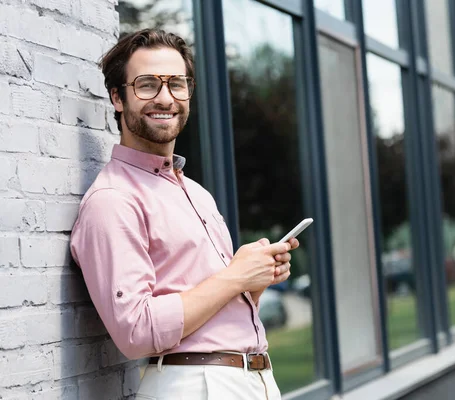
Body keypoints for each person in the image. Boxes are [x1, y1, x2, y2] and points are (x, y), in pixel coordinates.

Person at [70, 29, 299, 399]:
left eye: (177, 84)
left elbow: (206, 309)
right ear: (117, 97)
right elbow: (136, 331)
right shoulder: (112, 200)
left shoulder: (196, 193)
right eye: (147, 85)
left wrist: (251, 286)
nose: (165, 98)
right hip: (196, 386)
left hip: (252, 379)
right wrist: (235, 277)